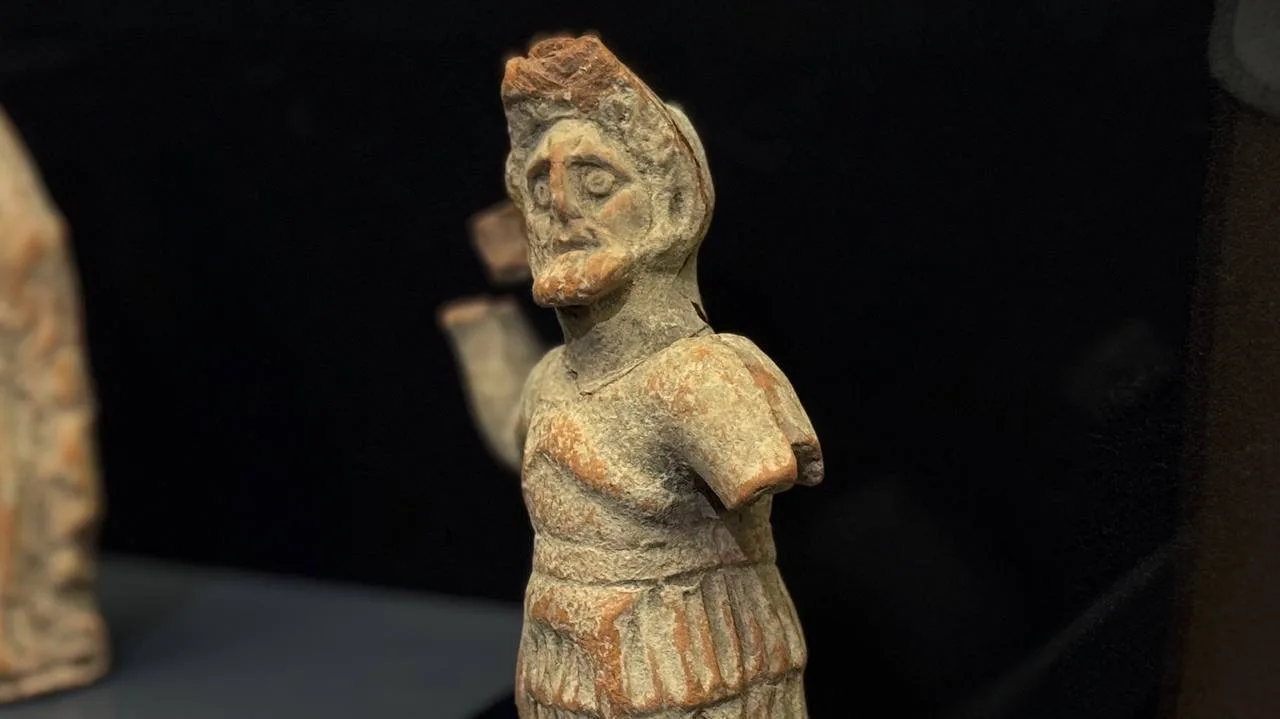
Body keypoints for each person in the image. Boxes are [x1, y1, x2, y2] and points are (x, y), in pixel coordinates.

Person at [440, 35, 822, 718]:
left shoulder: (694, 374)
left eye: (596, 183)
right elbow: (522, 443)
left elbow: (754, 466)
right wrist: (483, 335)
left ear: (669, 206)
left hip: (690, 668)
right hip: (563, 664)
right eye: (540, 188)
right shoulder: (551, 377)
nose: (561, 208)